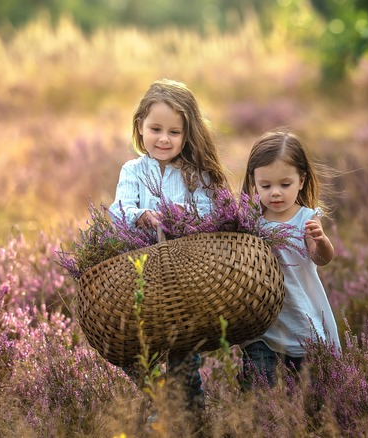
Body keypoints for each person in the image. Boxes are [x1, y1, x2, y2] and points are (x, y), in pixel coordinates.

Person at [109, 78, 229, 413]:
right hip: (142, 277)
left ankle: (181, 417)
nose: (164, 139)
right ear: (140, 127)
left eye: (174, 132)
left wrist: (186, 214)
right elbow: (118, 210)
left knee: (183, 349)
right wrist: (141, 215)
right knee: (135, 347)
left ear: (187, 135)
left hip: (184, 280)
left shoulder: (195, 174)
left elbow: (211, 212)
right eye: (156, 129)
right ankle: (171, 408)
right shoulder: (132, 170)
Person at [239, 129, 341, 388]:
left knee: (311, 389)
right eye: (266, 185)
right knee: (259, 386)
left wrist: (322, 242)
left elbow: (320, 259)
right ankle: (258, 424)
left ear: (302, 181)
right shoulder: (250, 221)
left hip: (299, 316)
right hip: (262, 322)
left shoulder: (305, 218)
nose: (275, 193)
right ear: (253, 183)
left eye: (285, 184)